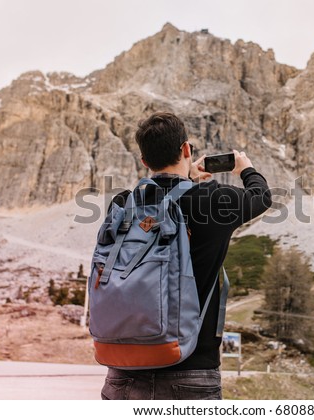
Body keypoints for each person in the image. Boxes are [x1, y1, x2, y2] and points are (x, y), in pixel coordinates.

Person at [100, 112, 272, 400]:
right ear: (186, 149)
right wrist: (245, 168)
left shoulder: (123, 203)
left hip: (123, 374)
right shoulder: (212, 199)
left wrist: (187, 180)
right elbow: (261, 196)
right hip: (191, 371)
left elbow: (160, 201)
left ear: (144, 161)